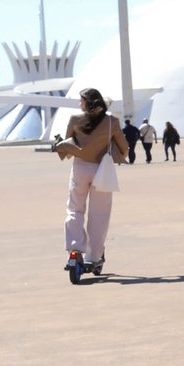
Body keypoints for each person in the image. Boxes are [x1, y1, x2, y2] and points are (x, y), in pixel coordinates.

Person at [54, 87, 128, 270]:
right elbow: (124, 148)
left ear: (87, 102)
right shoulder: (111, 122)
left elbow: (68, 143)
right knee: (99, 214)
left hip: (80, 168)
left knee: (75, 209)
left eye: (81, 100)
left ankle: (74, 248)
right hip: (101, 170)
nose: (79, 104)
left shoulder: (75, 120)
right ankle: (94, 256)